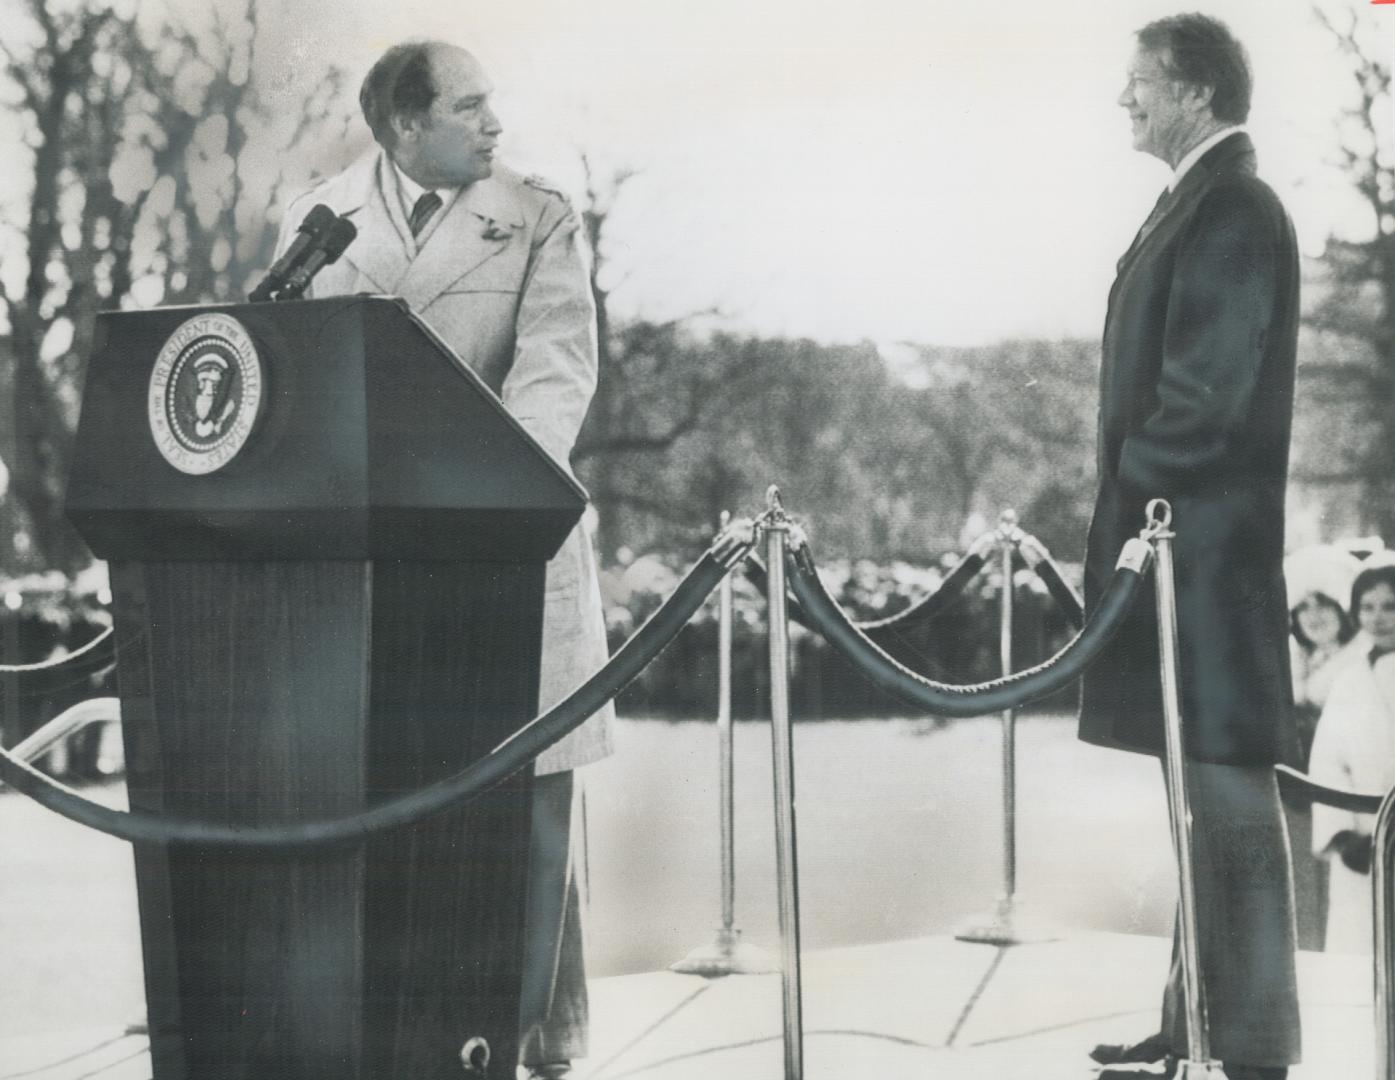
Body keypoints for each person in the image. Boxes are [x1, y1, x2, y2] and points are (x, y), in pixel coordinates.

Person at [273, 41, 614, 1079]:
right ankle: (419, 1032)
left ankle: (535, 1039)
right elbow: (293, 361)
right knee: (402, 798)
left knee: (532, 796)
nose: (497, 124)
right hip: (371, 563)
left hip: (507, 539)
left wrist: (489, 492)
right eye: (472, 108)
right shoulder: (321, 218)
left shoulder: (540, 214)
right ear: (405, 126)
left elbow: (558, 368)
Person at [1077, 14, 1301, 1080]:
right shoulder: (1201, 203)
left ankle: (1249, 1050)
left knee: (1224, 807)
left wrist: (1130, 519)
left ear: (1198, 95)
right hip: (1187, 560)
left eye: (1142, 84)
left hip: (1201, 565)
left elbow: (1201, 406)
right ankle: (1197, 1020)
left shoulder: (1233, 207)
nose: (1127, 100)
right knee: (1198, 814)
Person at [1309, 561, 1395, 954]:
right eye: (1368, 607)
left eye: (1390, 607)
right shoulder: (1348, 679)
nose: (1377, 618)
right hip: (1361, 844)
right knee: (1359, 948)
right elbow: (1327, 761)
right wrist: (1343, 837)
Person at [1282, 545, 1365, 950]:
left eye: (1324, 605)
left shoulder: (1360, 660)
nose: (1314, 616)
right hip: (1302, 790)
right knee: (1303, 886)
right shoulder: (1295, 660)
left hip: (1350, 788)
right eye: (1304, 608)